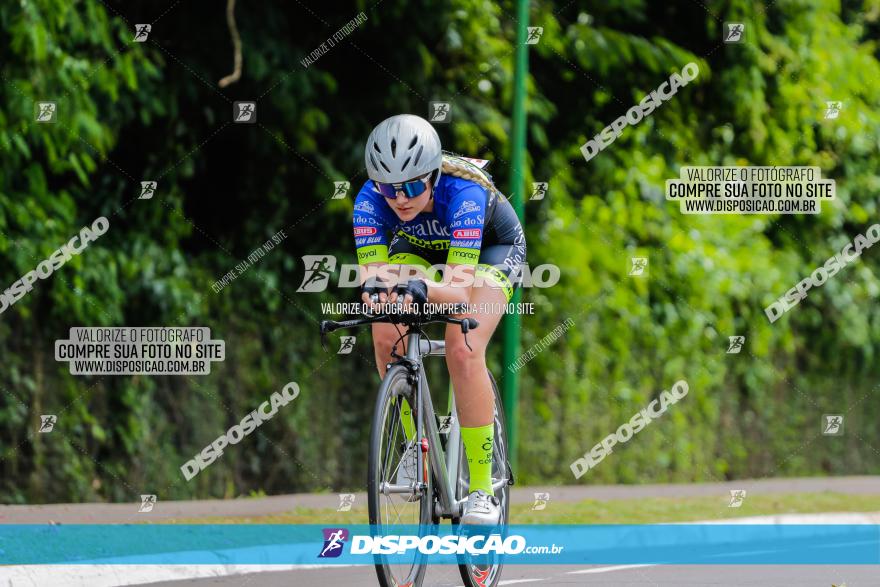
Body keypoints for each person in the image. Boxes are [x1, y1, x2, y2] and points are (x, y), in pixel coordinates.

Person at [352, 114, 526, 525]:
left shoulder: (463, 193)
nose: (400, 199)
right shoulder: (368, 200)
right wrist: (381, 295)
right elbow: (372, 282)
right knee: (385, 331)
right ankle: (416, 445)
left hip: (490, 249)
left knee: (462, 346)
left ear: (432, 175)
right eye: (388, 189)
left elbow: (459, 292)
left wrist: (424, 290)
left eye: (412, 186)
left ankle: (483, 489)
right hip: (418, 246)